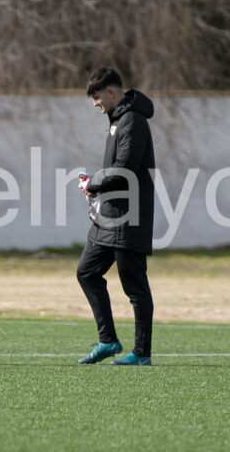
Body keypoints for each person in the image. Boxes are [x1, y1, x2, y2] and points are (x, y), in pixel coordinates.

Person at [75, 66, 155, 366]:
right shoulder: (118, 119)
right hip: (109, 218)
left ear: (111, 92)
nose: (95, 104)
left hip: (129, 218)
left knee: (134, 287)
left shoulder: (133, 120)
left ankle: (142, 353)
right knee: (87, 272)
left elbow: (124, 171)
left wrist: (93, 183)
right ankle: (108, 340)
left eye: (97, 97)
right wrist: (95, 184)